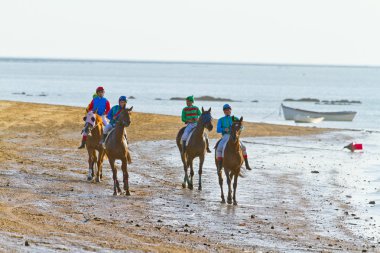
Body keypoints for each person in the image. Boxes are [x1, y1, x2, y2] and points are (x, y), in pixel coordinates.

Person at [216, 104, 252, 170]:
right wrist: (224, 129)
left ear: (230, 110)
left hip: (235, 136)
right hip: (226, 136)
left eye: (228, 110)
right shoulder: (221, 120)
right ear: (224, 111)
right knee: (219, 148)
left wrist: (239, 129)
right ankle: (220, 164)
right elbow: (218, 130)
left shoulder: (235, 118)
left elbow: (242, 127)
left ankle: (246, 164)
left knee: (243, 147)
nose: (227, 111)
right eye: (226, 110)